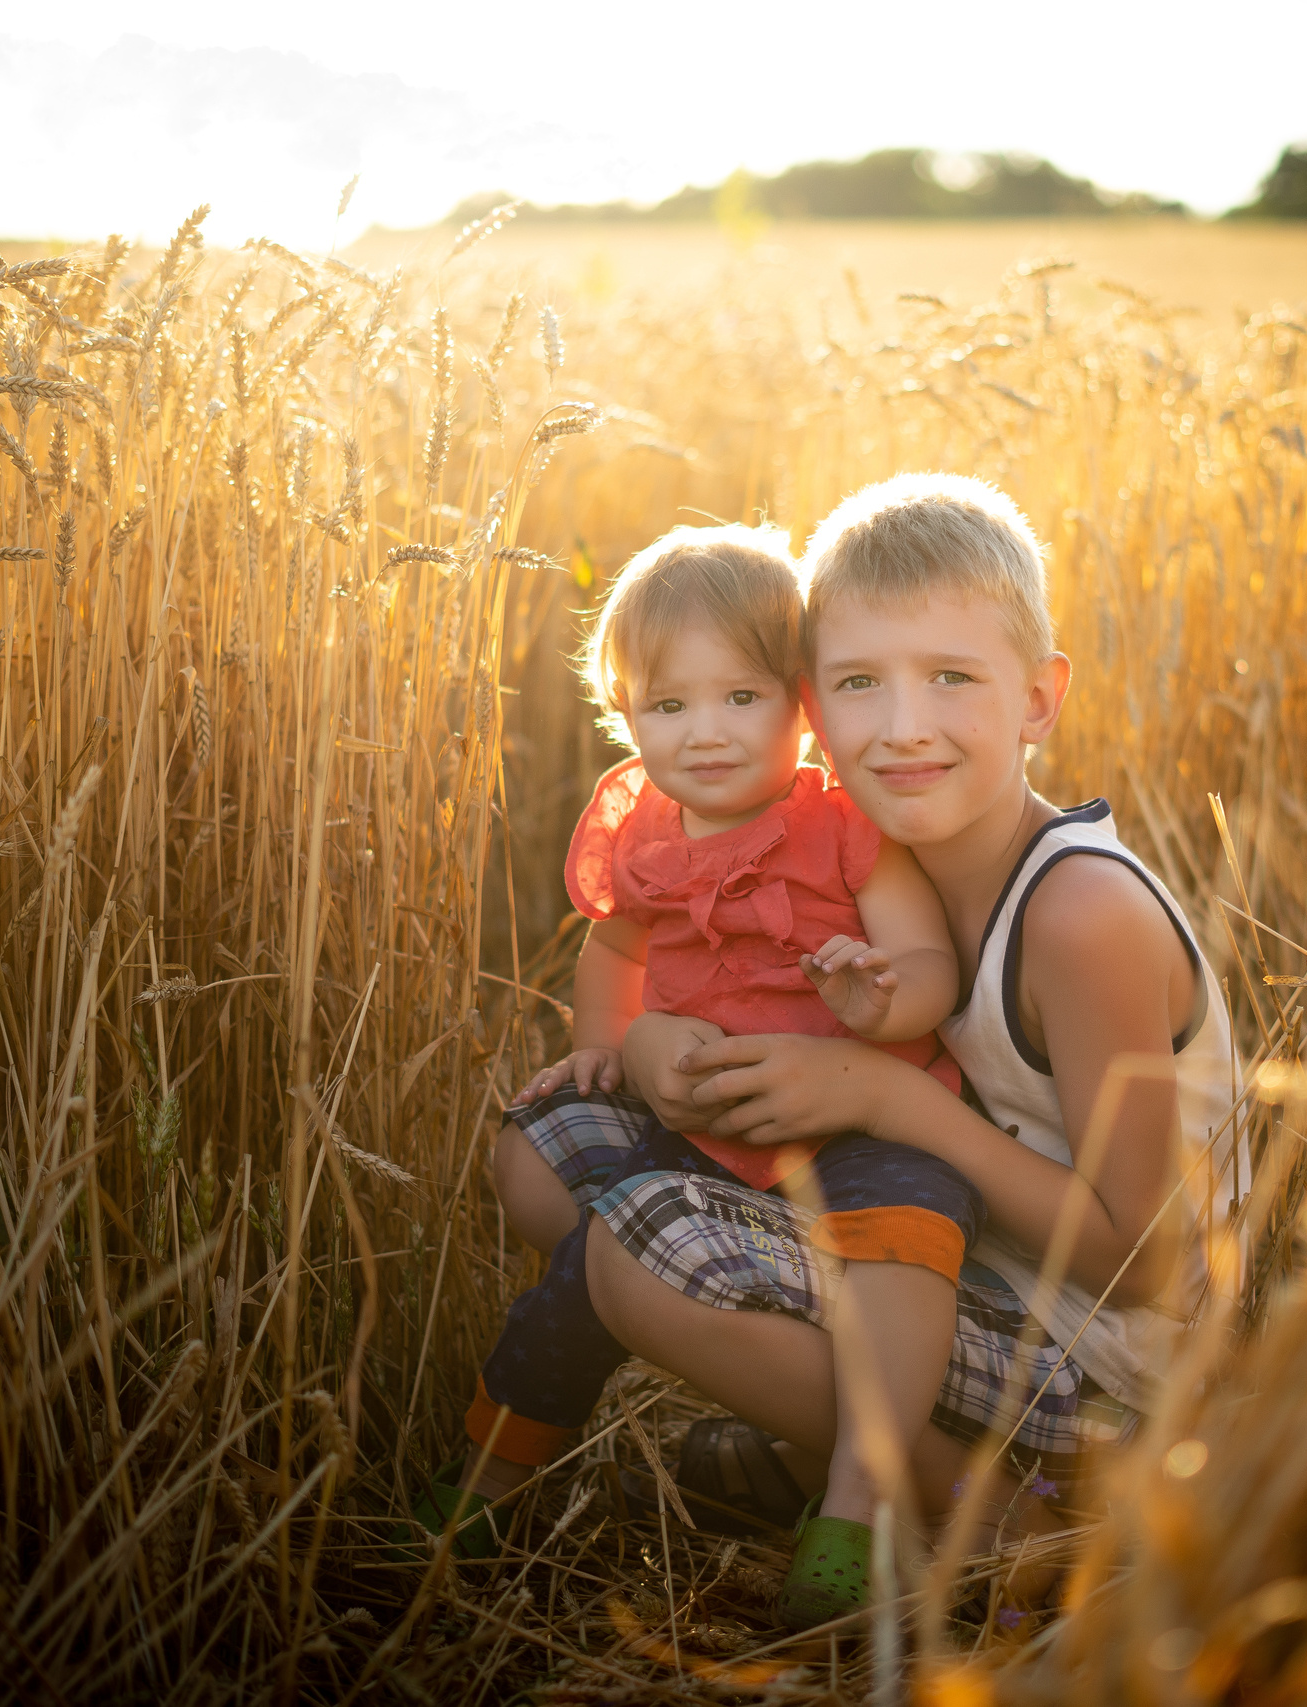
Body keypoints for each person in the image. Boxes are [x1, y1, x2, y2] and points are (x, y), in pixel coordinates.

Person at [592, 473, 1242, 1620]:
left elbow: (1143, 1267)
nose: (902, 727)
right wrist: (651, 1048)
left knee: (634, 1252)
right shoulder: (872, 870)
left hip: (1110, 1369)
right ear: (808, 708)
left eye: (952, 678)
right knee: (567, 1157)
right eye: (857, 684)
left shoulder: (1077, 918)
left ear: (1039, 699)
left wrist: (879, 1099)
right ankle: (849, 1450)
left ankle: (1007, 1517)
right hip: (951, 1265)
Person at [422, 524, 979, 1629]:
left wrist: (881, 999)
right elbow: (618, 949)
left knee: (911, 1232)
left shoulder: (844, 827)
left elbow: (926, 965)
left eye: (740, 698)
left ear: (801, 701)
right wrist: (605, 1039)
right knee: (582, 1252)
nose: (704, 734)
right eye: (666, 708)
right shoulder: (645, 831)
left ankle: (857, 1507)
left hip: (861, 1119)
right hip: (712, 1118)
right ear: (623, 715)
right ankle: (488, 1485)